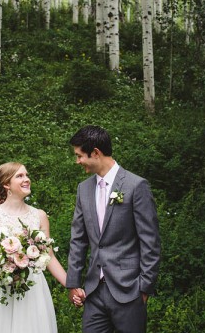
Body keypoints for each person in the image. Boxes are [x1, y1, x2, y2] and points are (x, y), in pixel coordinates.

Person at [66, 125, 161, 333]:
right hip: (94, 292)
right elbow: (78, 240)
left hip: (129, 290)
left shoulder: (136, 186)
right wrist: (73, 283)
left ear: (96, 153)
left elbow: (150, 242)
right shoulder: (83, 189)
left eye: (80, 155)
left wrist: (144, 288)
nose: (77, 161)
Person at [0, 162, 80, 333]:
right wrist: (7, 267)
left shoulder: (39, 215)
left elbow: (50, 258)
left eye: (27, 175)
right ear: (6, 183)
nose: (27, 179)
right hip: (4, 289)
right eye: (20, 176)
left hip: (33, 288)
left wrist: (71, 286)